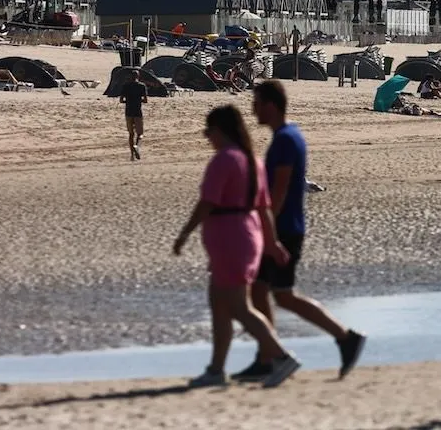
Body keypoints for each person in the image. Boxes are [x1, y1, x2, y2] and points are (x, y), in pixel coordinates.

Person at [235, 81, 366, 382]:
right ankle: (268, 356)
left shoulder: (285, 140)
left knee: (282, 295)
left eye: (256, 102)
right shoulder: (287, 136)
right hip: (281, 227)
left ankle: (343, 337)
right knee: (262, 291)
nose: (252, 109)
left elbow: (278, 193)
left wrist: (266, 234)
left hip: (283, 229)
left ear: (270, 104)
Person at [172, 105, 301, 388]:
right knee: (219, 305)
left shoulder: (225, 160)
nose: (208, 137)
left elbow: (207, 202)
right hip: (245, 235)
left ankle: (280, 356)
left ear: (220, 130)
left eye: (209, 132)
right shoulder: (252, 160)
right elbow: (264, 208)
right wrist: (271, 243)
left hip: (231, 238)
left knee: (239, 307)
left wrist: (184, 234)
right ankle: (216, 370)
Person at [120, 69, 148, 160]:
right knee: (140, 134)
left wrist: (127, 101)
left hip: (128, 111)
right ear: (138, 77)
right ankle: (137, 146)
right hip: (137, 111)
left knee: (131, 134)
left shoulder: (126, 86)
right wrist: (139, 100)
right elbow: (145, 100)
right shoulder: (142, 86)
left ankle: (132, 155)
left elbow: (121, 100)